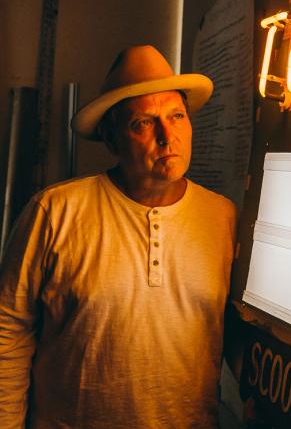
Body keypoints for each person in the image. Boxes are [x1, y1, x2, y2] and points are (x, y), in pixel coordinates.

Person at [0, 45, 237, 427]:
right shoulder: (55, 211)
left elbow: (236, 335)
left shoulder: (223, 217)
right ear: (111, 140)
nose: (167, 136)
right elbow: (7, 330)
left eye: (176, 116)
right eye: (143, 123)